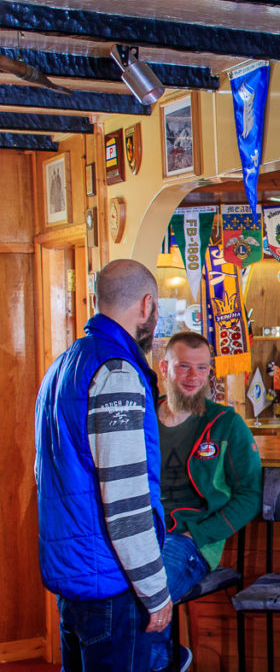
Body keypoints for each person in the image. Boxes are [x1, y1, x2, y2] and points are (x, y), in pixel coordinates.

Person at [35, 259, 170, 671]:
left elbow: (45, 474)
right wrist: (156, 592)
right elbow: (125, 500)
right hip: (114, 583)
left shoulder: (62, 365)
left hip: (74, 580)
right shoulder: (117, 373)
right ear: (147, 305)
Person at [150, 331, 262, 672]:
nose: (193, 377)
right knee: (102, 593)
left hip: (191, 541)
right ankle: (164, 658)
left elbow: (250, 495)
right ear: (164, 367)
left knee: (150, 592)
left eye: (202, 368)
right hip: (140, 534)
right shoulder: (142, 418)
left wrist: (196, 536)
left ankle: (161, 660)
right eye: (184, 366)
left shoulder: (226, 424)